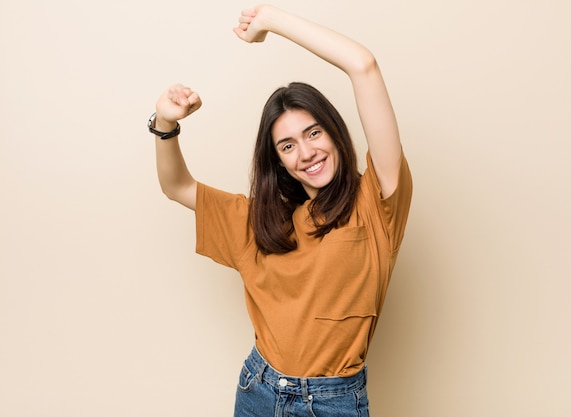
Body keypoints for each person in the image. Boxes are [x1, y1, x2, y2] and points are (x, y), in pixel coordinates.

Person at [148, 4, 412, 416]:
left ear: (335, 133)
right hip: (260, 390)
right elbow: (176, 186)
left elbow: (363, 65)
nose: (306, 152)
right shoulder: (258, 222)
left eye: (314, 132)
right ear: (278, 161)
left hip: (335, 401)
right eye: (288, 145)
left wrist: (270, 21)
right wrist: (165, 122)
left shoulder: (376, 204)